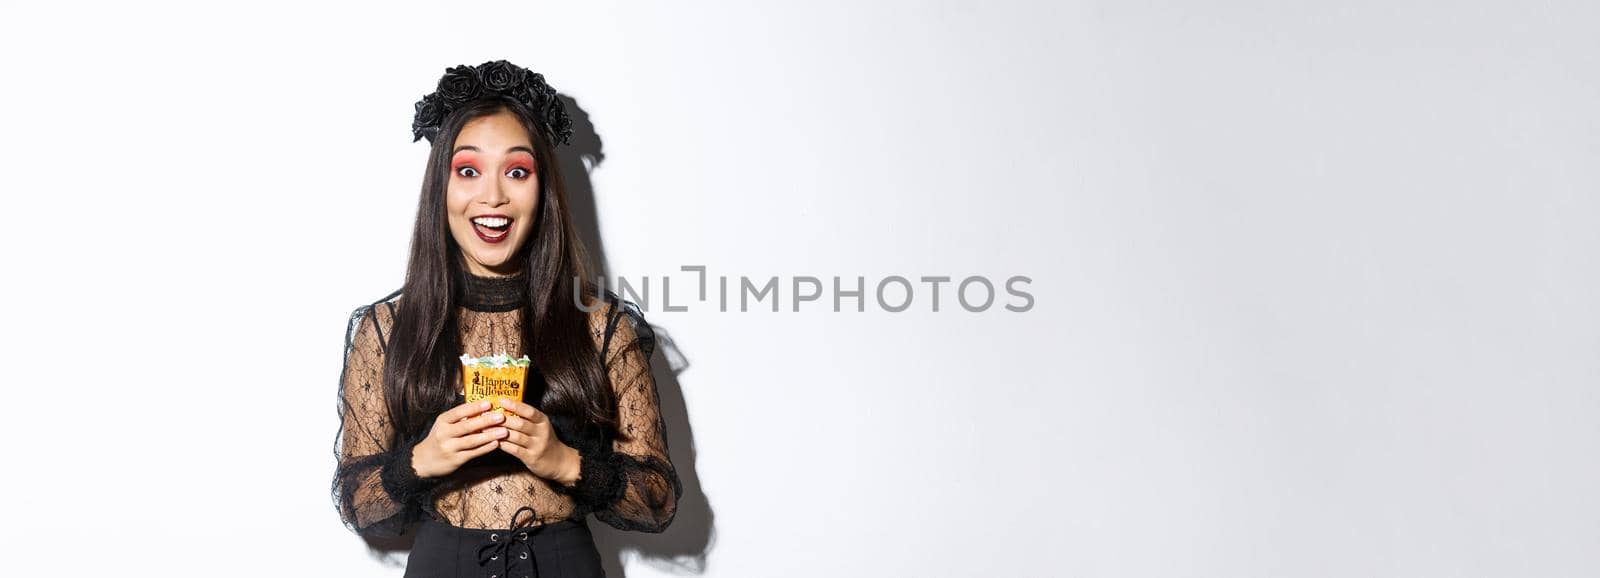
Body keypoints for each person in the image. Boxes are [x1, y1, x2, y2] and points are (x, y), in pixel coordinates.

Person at [331, 60, 682, 578]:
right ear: (440, 189)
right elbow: (357, 503)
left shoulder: (600, 324)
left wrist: (565, 462)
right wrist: (421, 461)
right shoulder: (387, 327)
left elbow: (658, 498)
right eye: (468, 170)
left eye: (516, 172)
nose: (492, 196)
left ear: (543, 193)